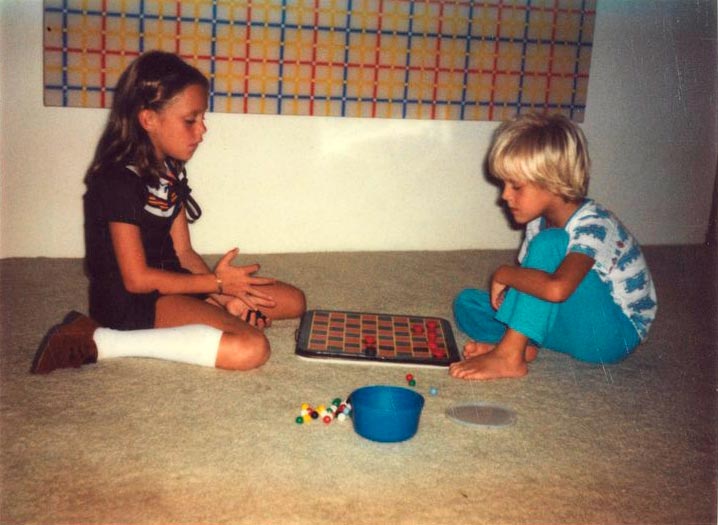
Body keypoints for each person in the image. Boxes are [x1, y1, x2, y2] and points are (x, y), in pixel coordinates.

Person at [32, 51, 306, 374]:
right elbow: (136, 280)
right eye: (190, 120)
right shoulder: (116, 180)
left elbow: (183, 251)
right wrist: (217, 284)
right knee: (251, 348)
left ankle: (212, 317)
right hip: (130, 302)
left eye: (202, 118)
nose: (202, 130)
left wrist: (223, 298)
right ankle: (102, 340)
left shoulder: (169, 169)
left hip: (173, 283)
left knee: (294, 302)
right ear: (148, 119)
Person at [450, 113, 657, 380]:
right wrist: (511, 290)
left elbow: (556, 288)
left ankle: (509, 355)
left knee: (551, 244)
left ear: (553, 182)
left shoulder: (595, 225)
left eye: (515, 186)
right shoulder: (538, 222)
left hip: (609, 334)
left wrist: (504, 273)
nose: (504, 195)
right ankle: (523, 345)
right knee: (468, 303)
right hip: (565, 324)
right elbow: (532, 287)